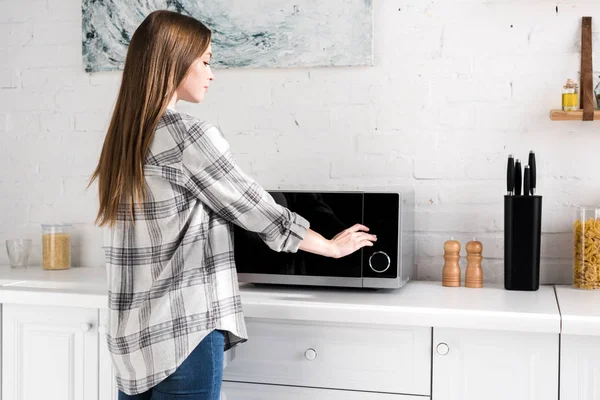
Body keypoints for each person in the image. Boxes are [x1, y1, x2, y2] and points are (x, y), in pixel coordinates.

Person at [89, 9, 377, 400]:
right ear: (175, 62)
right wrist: (329, 245)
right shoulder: (188, 136)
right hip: (184, 334)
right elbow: (257, 210)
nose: (212, 73)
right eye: (206, 61)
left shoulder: (122, 142)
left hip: (132, 343)